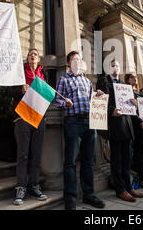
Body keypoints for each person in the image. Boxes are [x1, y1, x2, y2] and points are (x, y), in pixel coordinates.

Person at [55, 51, 106, 210]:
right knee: (70, 161)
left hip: (89, 123)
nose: (77, 61)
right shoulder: (63, 80)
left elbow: (93, 100)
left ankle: (89, 195)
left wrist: (98, 95)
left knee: (88, 161)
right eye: (74, 59)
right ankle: (70, 197)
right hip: (73, 122)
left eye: (79, 59)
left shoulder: (87, 81)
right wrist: (65, 104)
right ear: (69, 63)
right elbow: (57, 100)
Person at [96, 60, 143, 202]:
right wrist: (112, 111)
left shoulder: (124, 85)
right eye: (112, 66)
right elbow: (102, 101)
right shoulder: (103, 82)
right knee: (116, 159)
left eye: (117, 65)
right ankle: (120, 189)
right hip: (115, 124)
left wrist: (134, 103)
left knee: (126, 158)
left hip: (127, 124)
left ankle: (129, 187)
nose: (115, 68)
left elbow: (130, 102)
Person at [10, 49, 48, 205]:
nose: (32, 56)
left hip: (39, 118)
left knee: (37, 155)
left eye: (35, 54)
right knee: (23, 155)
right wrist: (20, 89)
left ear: (38, 59)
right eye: (30, 54)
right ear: (27, 58)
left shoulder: (42, 75)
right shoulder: (20, 73)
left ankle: (35, 186)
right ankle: (21, 187)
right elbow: (8, 90)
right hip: (23, 118)